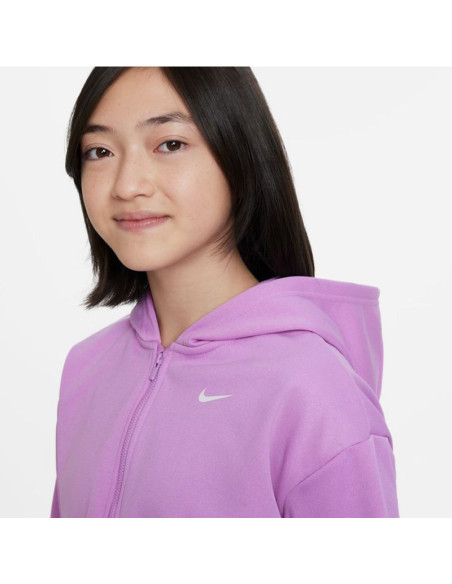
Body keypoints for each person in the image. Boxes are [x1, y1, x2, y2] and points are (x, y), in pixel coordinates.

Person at [50, 66, 399, 518]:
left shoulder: (311, 388)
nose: (127, 185)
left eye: (170, 144)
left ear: (240, 153)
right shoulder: (86, 367)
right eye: (100, 151)